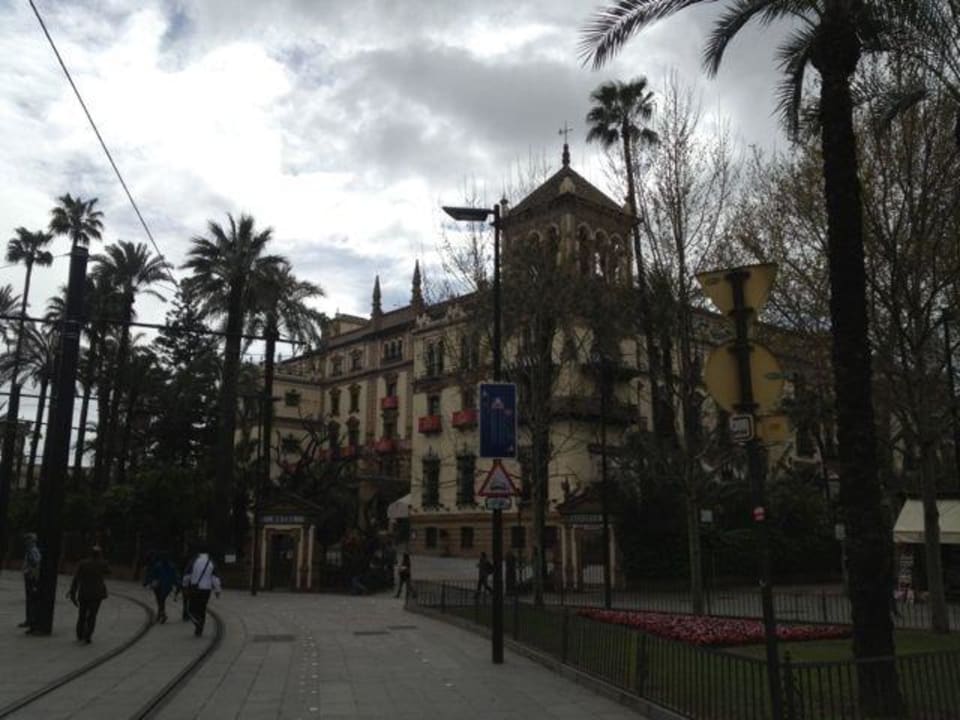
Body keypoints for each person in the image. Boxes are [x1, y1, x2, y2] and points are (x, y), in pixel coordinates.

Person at [68, 546, 108, 644]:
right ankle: (88, 635)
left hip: (84, 593)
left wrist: (72, 592)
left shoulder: (83, 563)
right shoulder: (103, 563)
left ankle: (80, 635)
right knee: (92, 616)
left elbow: (76, 579)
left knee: (82, 615)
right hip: (97, 594)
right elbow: (108, 571)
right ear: (99, 554)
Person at [183, 548, 220, 637]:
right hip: (206, 589)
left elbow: (187, 574)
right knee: (202, 608)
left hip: (195, 588)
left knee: (191, 608)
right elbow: (215, 577)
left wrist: (184, 585)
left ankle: (197, 621)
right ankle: (200, 627)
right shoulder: (211, 562)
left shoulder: (193, 561)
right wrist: (217, 590)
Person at [143, 552, 178, 623]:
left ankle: (162, 614)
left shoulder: (158, 566)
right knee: (161, 600)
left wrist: (147, 582)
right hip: (167, 587)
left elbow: (152, 575)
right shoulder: (172, 566)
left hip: (159, 586)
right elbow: (175, 577)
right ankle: (160, 614)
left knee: (160, 600)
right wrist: (177, 585)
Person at [20, 533, 41, 633]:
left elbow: (36, 562)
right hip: (29, 576)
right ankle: (29, 620)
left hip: (31, 578)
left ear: (32, 541)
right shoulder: (30, 550)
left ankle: (32, 622)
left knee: (32, 600)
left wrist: (30, 572)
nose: (26, 542)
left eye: (28, 540)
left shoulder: (33, 550)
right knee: (29, 600)